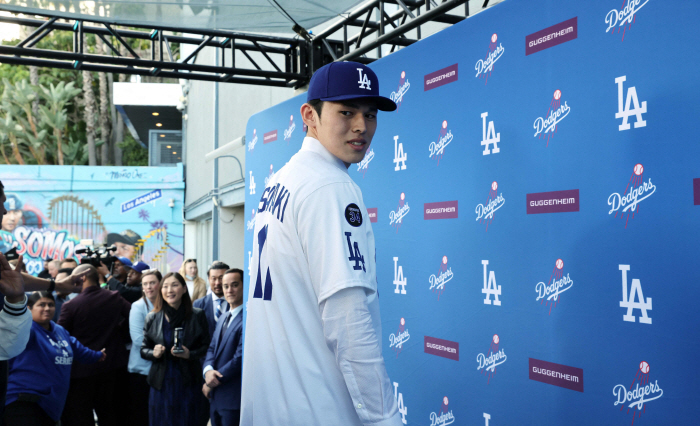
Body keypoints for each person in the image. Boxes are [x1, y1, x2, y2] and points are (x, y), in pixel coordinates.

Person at [241, 62, 402, 426]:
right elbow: (348, 320)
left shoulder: (281, 180)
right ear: (309, 115)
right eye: (346, 112)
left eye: (370, 114)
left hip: (275, 405)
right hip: (320, 407)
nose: (361, 126)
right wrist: (386, 418)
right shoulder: (332, 187)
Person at [4, 291, 105, 426]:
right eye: (41, 305)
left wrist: (98, 355)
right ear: (29, 308)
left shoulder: (60, 331)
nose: (47, 308)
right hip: (23, 402)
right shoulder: (26, 329)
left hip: (51, 405)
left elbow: (79, 350)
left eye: (51, 304)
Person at [58, 264, 132, 426]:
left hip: (81, 371)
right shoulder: (114, 297)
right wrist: (118, 330)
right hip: (112, 366)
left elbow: (60, 336)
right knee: (110, 415)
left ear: (82, 277)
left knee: (81, 417)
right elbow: (134, 317)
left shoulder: (70, 306)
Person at [141, 272, 209, 426]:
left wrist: (189, 354)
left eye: (174, 285)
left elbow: (206, 346)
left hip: (189, 380)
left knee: (188, 420)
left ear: (184, 289)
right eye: (165, 286)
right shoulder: (152, 317)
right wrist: (154, 353)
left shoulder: (197, 315)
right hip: (161, 383)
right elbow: (143, 349)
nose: (169, 290)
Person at [203, 269, 244, 426]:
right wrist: (207, 371)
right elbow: (212, 349)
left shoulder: (247, 319)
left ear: (243, 286)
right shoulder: (224, 316)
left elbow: (239, 358)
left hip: (233, 397)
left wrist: (212, 381)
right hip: (216, 397)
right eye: (226, 286)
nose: (229, 290)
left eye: (234, 285)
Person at [128, 269, 162, 426]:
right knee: (142, 415)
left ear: (160, 284)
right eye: (145, 284)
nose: (149, 287)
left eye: (152, 283)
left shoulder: (167, 305)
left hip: (163, 368)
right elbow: (138, 340)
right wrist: (162, 349)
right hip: (142, 370)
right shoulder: (138, 306)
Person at [193, 261, 229, 338]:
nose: (217, 283)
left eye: (221, 278)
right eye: (214, 278)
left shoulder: (238, 303)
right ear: (208, 279)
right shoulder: (198, 305)